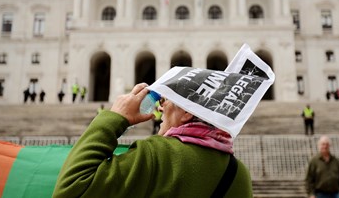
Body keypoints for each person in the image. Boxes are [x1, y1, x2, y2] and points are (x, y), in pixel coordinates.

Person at [53, 83, 252, 197]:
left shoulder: (156, 154)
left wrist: (114, 117)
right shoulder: (239, 172)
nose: (160, 107)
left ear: (185, 113)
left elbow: (72, 189)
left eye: (166, 100)